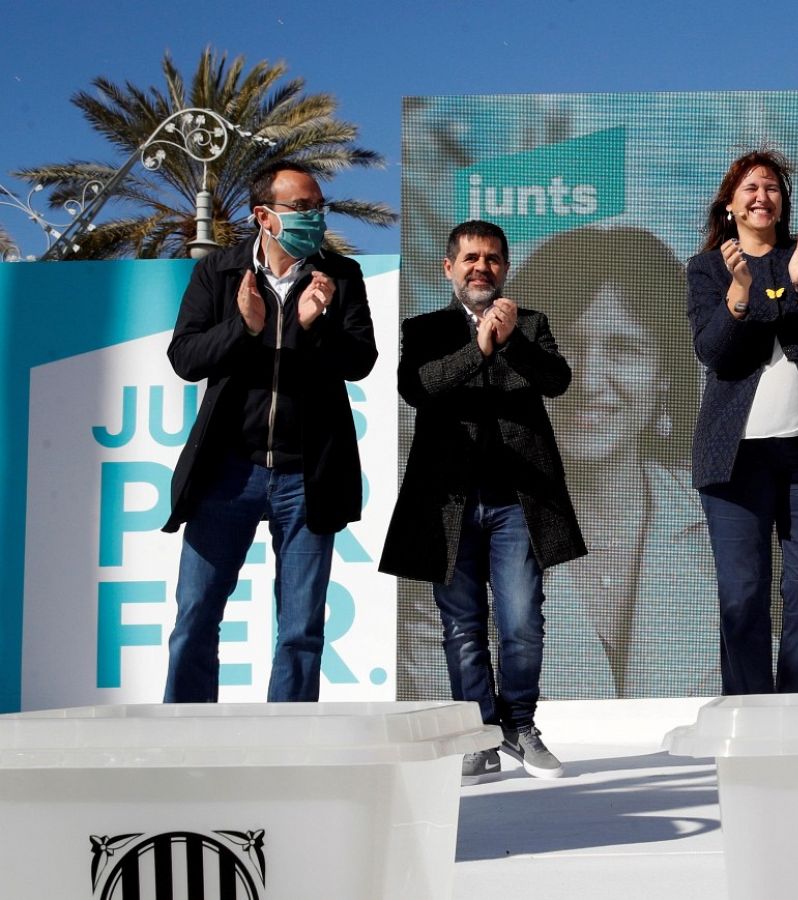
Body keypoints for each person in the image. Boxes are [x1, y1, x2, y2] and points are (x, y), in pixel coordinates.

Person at [380, 219, 587, 784]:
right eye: (470, 258)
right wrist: (479, 347)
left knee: (521, 622)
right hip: (447, 502)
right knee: (462, 627)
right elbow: (419, 388)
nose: (481, 268)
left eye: (493, 259)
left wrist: (511, 338)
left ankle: (520, 725)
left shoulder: (532, 324)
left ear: (505, 268)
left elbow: (557, 382)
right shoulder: (422, 328)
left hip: (517, 504)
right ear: (448, 268)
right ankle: (479, 737)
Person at [162, 161, 376, 704]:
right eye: (301, 208)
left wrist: (316, 326)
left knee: (301, 629)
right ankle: (186, 744)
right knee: (196, 616)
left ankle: (290, 747)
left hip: (307, 475)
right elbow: (185, 358)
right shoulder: (221, 273)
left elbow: (360, 361)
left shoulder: (341, 276)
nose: (314, 216)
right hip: (228, 473)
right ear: (265, 215)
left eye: (318, 205)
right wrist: (245, 329)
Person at [504, 227, 720, 698]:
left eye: (625, 350)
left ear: (665, 376)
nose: (588, 379)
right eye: (566, 347)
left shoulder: (723, 525)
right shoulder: (469, 525)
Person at [686, 148, 798, 695]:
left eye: (772, 188)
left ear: (783, 204)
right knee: (742, 592)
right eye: (750, 189)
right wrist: (739, 294)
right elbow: (715, 354)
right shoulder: (707, 268)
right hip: (735, 458)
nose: (763, 197)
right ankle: (749, 714)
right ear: (730, 206)